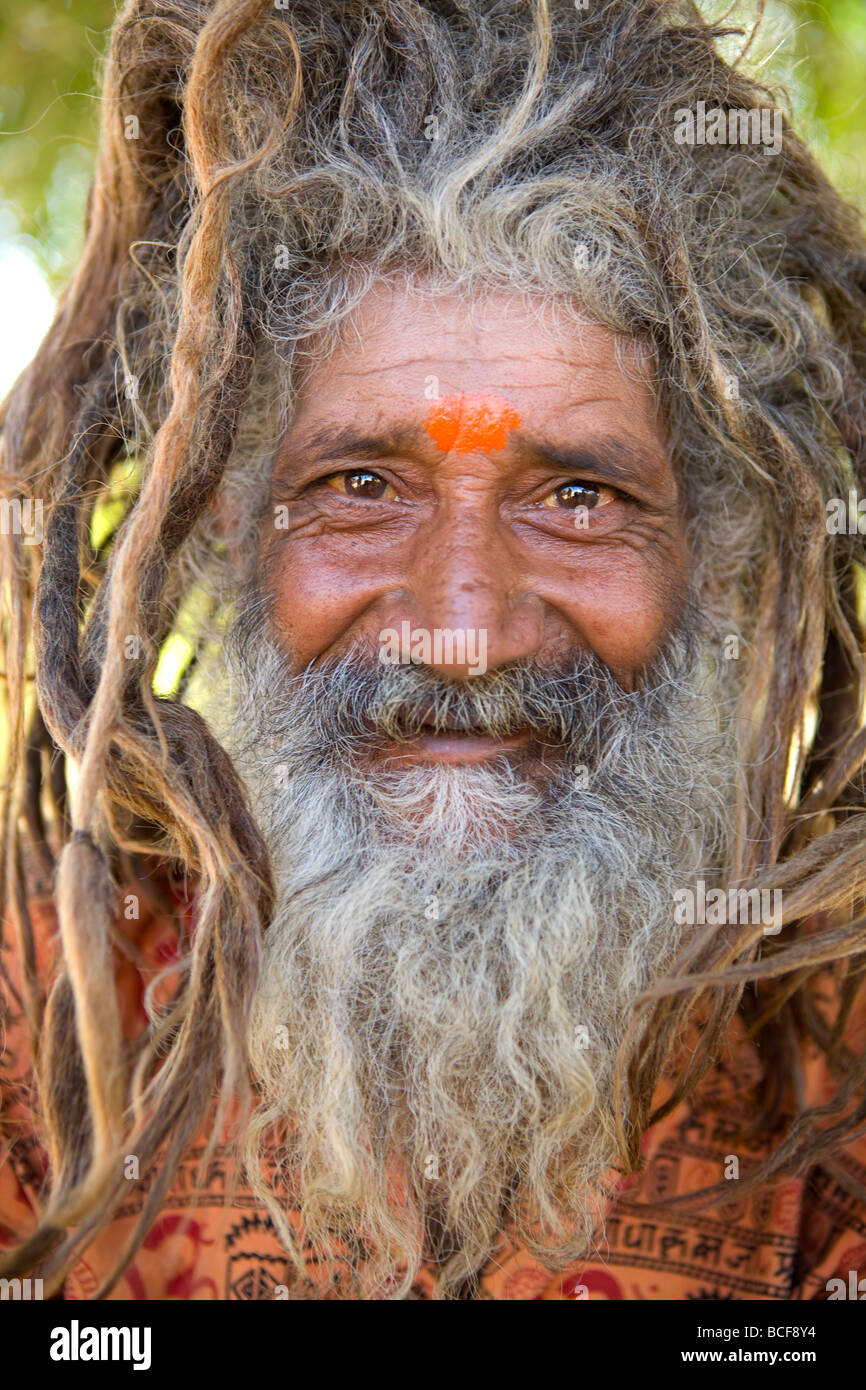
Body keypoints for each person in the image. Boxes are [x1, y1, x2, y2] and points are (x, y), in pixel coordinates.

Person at [1, 0, 866, 1302]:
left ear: (716, 547)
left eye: (575, 495)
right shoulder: (43, 1020)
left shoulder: (832, 1069)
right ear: (231, 525)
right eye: (360, 484)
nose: (462, 625)